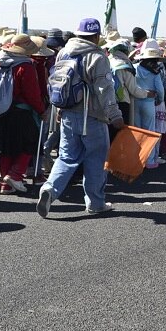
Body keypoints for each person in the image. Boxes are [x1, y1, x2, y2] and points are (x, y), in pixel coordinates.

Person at [36, 17, 125, 218]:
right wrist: (115, 115)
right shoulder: (97, 56)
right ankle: (95, 203)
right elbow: (105, 89)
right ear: (96, 35)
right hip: (92, 117)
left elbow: (58, 84)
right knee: (96, 158)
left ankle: (49, 189)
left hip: (67, 114)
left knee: (66, 157)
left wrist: (59, 110)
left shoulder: (64, 53)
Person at [0, 34, 44, 195]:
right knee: (30, 143)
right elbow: (32, 94)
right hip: (21, 112)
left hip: (0, 112)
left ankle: (5, 183)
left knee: (6, 147)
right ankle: (15, 175)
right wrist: (41, 110)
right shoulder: (25, 66)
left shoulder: (0, 62)